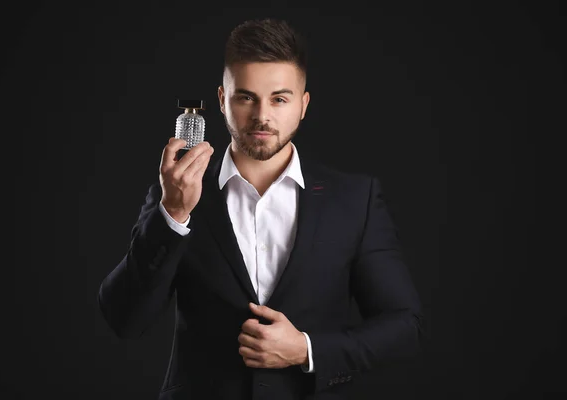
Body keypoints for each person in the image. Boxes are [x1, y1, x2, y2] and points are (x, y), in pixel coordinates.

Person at [98, 17, 424, 400]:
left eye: (279, 99)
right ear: (222, 100)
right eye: (246, 97)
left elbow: (405, 327)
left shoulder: (355, 200)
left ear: (303, 105)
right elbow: (124, 319)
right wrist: (172, 215)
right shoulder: (176, 193)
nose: (262, 116)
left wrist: (306, 349)